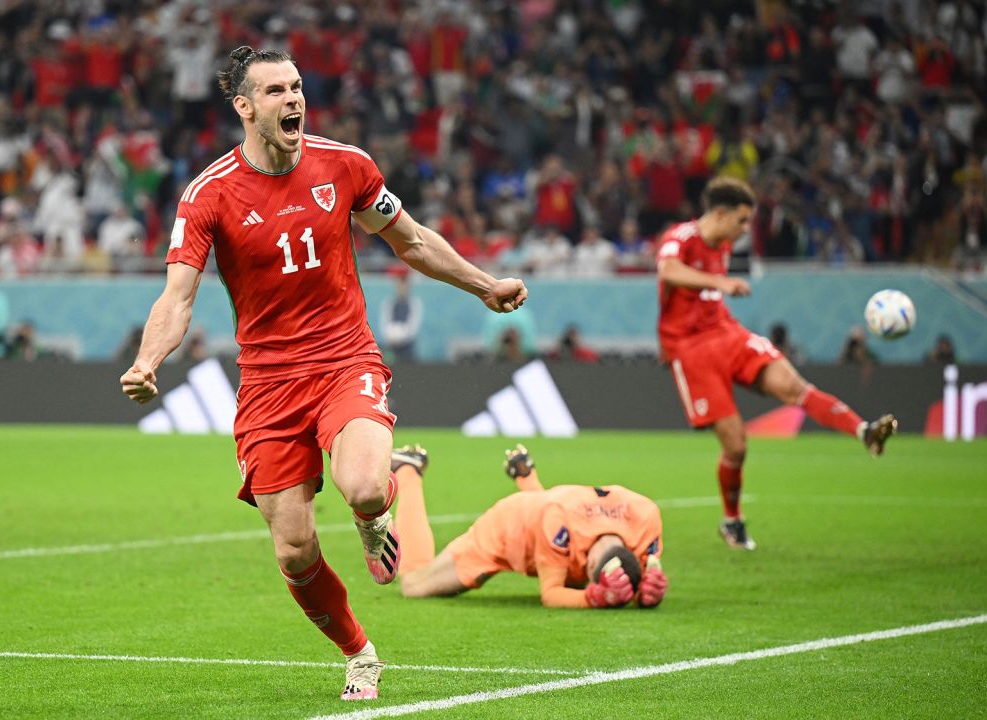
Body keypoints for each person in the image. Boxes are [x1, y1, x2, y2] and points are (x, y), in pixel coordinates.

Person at [119, 46, 528, 702]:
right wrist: (147, 360)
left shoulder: (346, 165)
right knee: (293, 549)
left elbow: (412, 241)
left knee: (365, 484)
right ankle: (358, 651)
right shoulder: (209, 196)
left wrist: (483, 286)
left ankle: (375, 517)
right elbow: (178, 297)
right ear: (244, 107)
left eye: (298, 87)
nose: (294, 100)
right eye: (277, 91)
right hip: (268, 385)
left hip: (344, 359)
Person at [656, 177, 896, 551]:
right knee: (736, 446)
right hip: (690, 348)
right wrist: (721, 284)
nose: (745, 229)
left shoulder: (723, 243)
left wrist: (719, 289)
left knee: (792, 385)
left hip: (727, 332)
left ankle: (863, 431)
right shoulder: (683, 236)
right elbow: (668, 270)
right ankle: (732, 522)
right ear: (720, 213)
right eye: (742, 220)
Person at [392, 444, 668, 610]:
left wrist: (645, 593)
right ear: (592, 558)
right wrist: (592, 597)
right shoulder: (558, 525)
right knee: (414, 584)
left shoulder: (647, 518)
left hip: (553, 509)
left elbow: (641, 575)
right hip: (508, 528)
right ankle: (408, 470)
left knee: (551, 513)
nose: (583, 573)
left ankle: (527, 478)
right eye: (587, 568)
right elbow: (551, 594)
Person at [379, 268, 422, 362]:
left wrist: (400, 337)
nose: (402, 287)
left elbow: (413, 327)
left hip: (407, 348)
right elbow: (384, 323)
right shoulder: (389, 303)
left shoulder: (414, 303)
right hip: (390, 345)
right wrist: (391, 336)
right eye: (400, 283)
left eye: (404, 283)